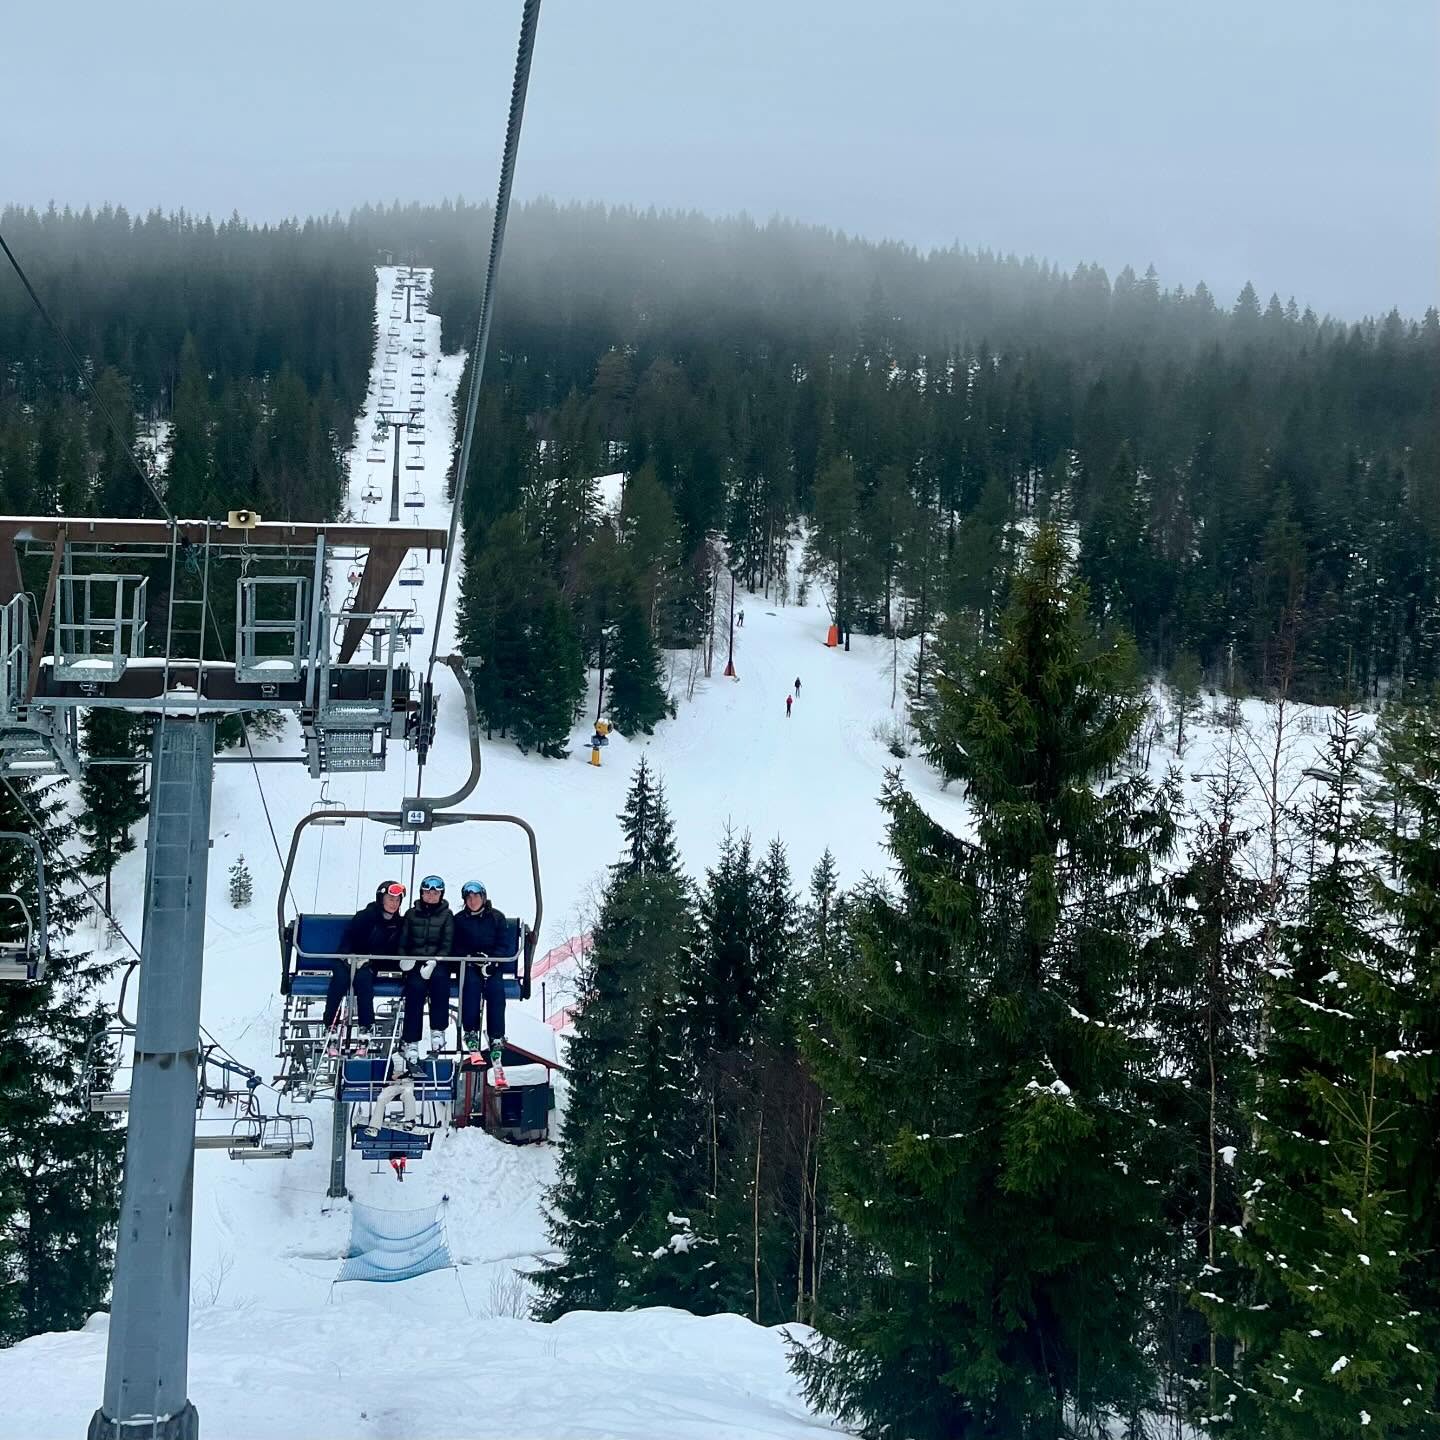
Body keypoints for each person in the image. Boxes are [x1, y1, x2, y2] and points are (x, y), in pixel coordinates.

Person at [325, 881, 406, 1057]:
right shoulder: (365, 916)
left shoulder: (398, 924)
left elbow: (392, 952)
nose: (394, 903)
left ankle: (366, 1027)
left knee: (364, 981)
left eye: (397, 900)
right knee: (340, 980)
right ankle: (330, 1025)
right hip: (347, 959)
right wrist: (349, 956)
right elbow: (350, 939)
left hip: (369, 964)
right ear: (381, 899)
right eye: (390, 899)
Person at [451, 880, 511, 1079]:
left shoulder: (496, 918)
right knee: (471, 987)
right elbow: (455, 945)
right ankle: (471, 1032)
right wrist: (468, 957)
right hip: (468, 964)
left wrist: (493, 961)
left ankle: (496, 1036)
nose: (473, 901)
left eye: (476, 897)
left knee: (495, 991)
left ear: (483, 898)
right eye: (469, 898)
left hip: (491, 964)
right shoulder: (459, 920)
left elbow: (503, 944)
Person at [399, 875, 454, 1062]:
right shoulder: (411, 914)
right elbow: (403, 940)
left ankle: (438, 1029)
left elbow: (448, 943)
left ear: (440, 894)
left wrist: (436, 960)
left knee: (440, 983)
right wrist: (404, 959)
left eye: (435, 892)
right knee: (415, 988)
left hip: (437, 963)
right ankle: (411, 1039)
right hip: (415, 962)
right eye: (427, 892)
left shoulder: (447, 915)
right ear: (421, 893)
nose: (431, 895)